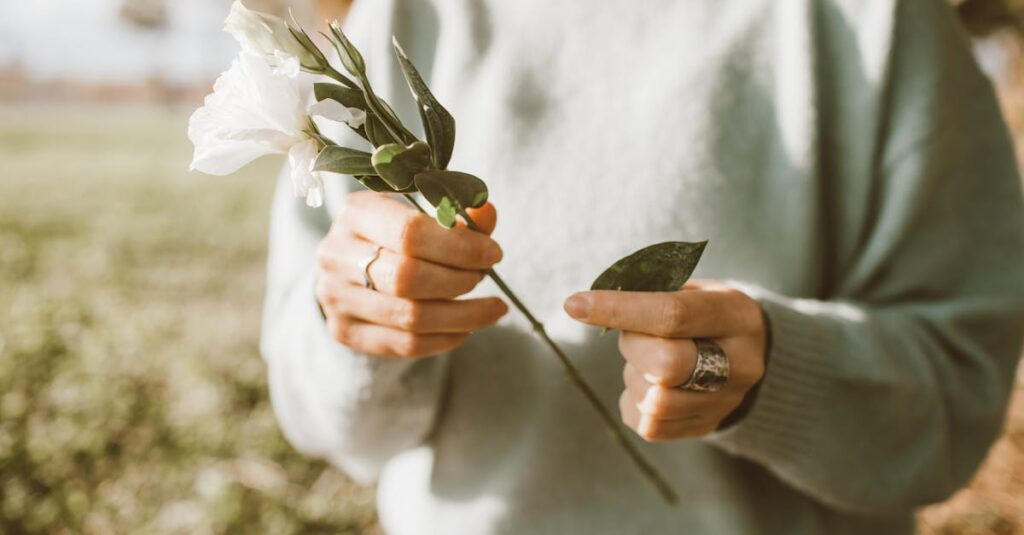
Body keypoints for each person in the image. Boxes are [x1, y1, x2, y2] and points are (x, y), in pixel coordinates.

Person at [260, 0, 1024, 533]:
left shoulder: (874, 19)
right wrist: (356, 325)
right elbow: (315, 415)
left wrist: (770, 375)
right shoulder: (405, 17)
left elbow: (958, 398)